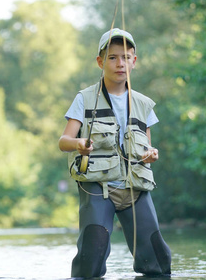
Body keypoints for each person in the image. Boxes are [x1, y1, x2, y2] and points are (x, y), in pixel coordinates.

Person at [59, 28, 172, 278]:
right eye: (112, 57)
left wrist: (151, 154)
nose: (120, 63)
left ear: (134, 61)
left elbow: (147, 150)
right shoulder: (84, 98)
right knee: (91, 258)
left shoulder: (144, 104)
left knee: (158, 261)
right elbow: (63, 140)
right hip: (98, 187)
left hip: (135, 188)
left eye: (126, 57)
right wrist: (79, 144)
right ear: (100, 62)